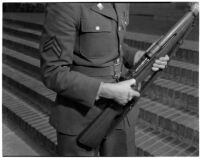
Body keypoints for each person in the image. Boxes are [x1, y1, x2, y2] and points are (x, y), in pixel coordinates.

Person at [40, 3, 169, 156]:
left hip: (119, 113)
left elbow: (114, 44)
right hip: (79, 117)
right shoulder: (66, 5)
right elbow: (53, 71)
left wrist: (137, 56)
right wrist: (107, 91)